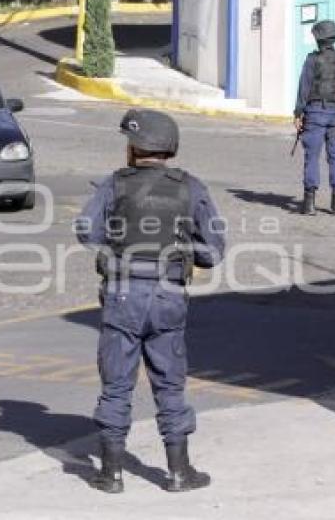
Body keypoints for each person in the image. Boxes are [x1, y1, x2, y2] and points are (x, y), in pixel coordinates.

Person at [75, 109, 226, 493]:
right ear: (168, 148)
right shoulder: (191, 187)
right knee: (170, 385)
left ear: (134, 148)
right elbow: (213, 252)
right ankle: (179, 472)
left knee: (116, 386)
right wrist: (182, 249)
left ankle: (111, 474)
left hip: (122, 294)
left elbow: (86, 230)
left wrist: (117, 243)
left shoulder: (114, 184)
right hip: (167, 296)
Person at [293, 19, 335, 215]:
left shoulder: (312, 60)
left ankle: (309, 203)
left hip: (315, 112)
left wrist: (298, 113)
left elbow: (304, 89)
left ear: (318, 38)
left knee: (312, 156)